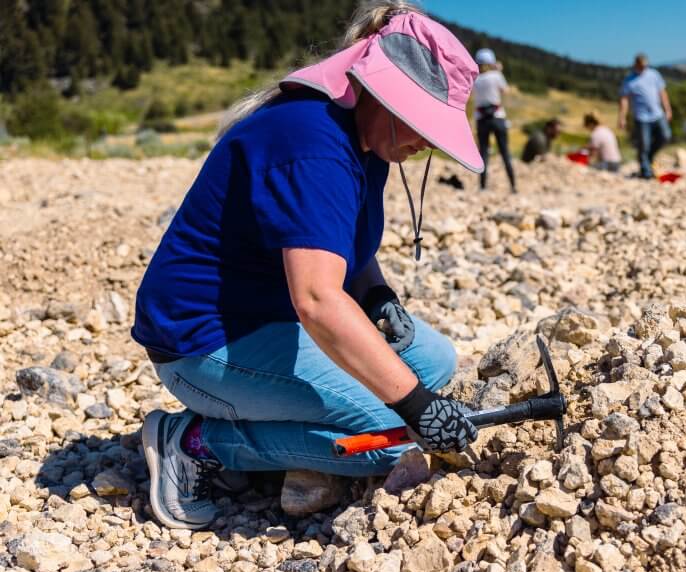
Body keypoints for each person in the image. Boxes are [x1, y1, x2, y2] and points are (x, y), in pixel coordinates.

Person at [131, 1, 484, 530]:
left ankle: (276, 436)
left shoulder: (365, 138)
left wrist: (376, 296)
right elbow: (317, 300)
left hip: (266, 321)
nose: (426, 143)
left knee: (432, 359)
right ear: (382, 93)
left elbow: (341, 248)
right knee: (388, 439)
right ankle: (194, 443)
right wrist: (417, 408)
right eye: (421, 124)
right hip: (202, 343)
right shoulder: (313, 143)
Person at [618, 53, 672, 179]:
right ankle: (646, 172)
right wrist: (622, 117)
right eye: (641, 66)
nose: (643, 68)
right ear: (636, 64)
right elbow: (624, 100)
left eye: (645, 66)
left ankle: (649, 157)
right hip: (641, 117)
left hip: (657, 114)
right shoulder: (629, 80)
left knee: (665, 136)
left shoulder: (654, 74)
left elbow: (662, 92)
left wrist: (668, 109)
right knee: (644, 144)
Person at [471, 48, 516, 192]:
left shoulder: (475, 79)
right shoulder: (496, 75)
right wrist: (499, 71)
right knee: (505, 152)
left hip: (481, 118)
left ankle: (482, 187)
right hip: (497, 116)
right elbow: (505, 91)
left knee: (483, 153)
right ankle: (513, 186)